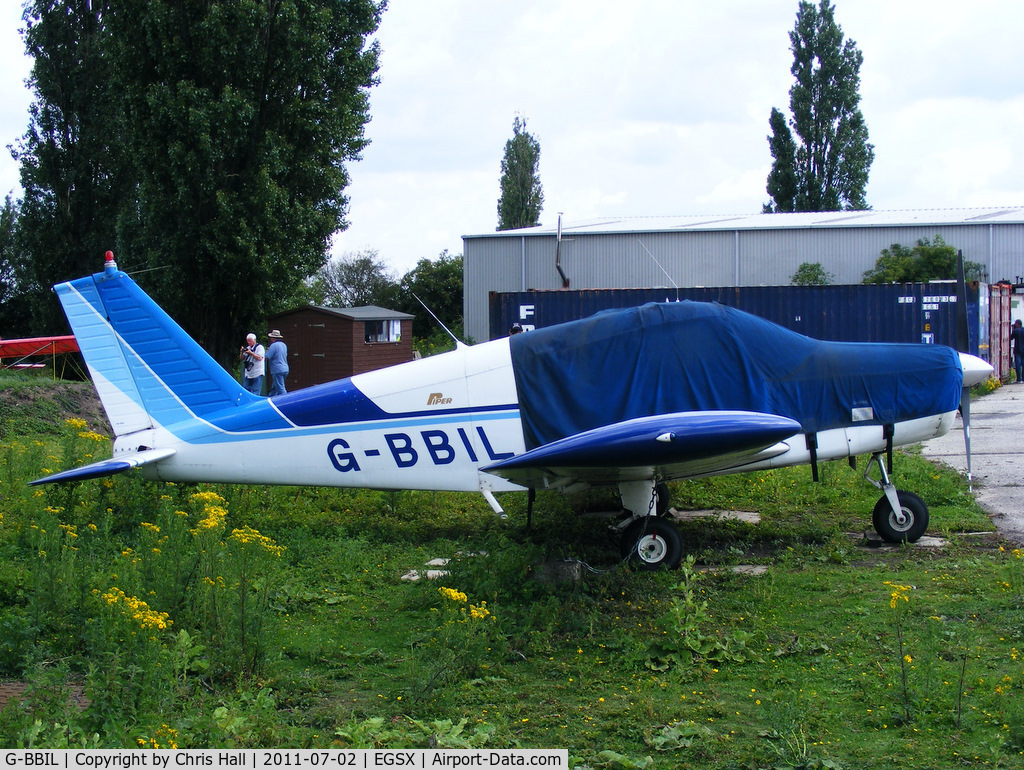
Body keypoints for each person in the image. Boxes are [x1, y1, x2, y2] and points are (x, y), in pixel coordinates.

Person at [265, 329, 289, 396]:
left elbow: (267, 357)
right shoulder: (284, 345)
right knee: (275, 387)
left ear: (273, 338)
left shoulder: (273, 345)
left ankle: (286, 400)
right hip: (285, 368)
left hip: (277, 369)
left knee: (280, 388)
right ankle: (270, 398)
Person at [1012, 319, 1024, 384]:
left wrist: (1013, 329)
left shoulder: (1015, 331)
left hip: (1017, 350)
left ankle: (1019, 379)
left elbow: (1011, 337)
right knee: (1023, 364)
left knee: (1018, 364)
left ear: (1017, 324)